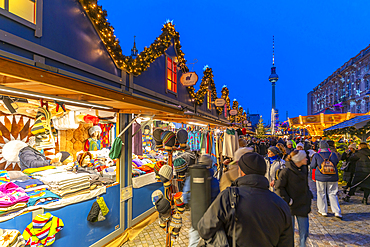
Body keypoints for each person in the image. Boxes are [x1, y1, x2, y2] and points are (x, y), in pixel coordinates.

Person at [197, 152, 294, 247]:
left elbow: (204, 229)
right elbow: (287, 242)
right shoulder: (281, 204)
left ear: (241, 171)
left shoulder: (227, 196)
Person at [276, 150, 313, 247]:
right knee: (289, 232)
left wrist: (308, 195)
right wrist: (288, 200)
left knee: (304, 231)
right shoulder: (286, 171)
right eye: (304, 157)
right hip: (290, 206)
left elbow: (305, 185)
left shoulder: (304, 169)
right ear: (299, 159)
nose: (306, 159)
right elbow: (279, 187)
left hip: (303, 203)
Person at [182, 154, 219, 247]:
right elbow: (218, 198)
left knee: (194, 237)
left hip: (196, 214)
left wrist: (192, 203)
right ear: (210, 164)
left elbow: (185, 196)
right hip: (210, 216)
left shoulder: (191, 177)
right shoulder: (214, 180)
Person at [310, 141, 342, 219]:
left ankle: (323, 210)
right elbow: (336, 163)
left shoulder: (317, 155)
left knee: (321, 193)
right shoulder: (333, 154)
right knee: (333, 193)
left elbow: (312, 166)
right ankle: (337, 211)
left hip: (321, 176)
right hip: (333, 176)